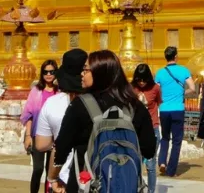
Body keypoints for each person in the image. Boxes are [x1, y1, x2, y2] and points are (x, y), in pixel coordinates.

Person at [50, 49, 156, 193]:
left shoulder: (80, 105)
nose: (81, 74)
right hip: (126, 185)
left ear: (99, 73)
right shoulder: (135, 107)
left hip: (86, 184)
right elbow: (149, 150)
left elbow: (61, 148)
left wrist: (53, 178)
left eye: (86, 70)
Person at [34, 49, 87, 190]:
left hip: (64, 177)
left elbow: (41, 145)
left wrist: (52, 178)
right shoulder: (100, 103)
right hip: (95, 176)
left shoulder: (52, 103)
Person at [156, 45, 194, 178]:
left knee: (165, 137)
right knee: (177, 140)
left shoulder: (159, 72)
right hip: (178, 109)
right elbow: (193, 88)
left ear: (165, 57)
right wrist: (182, 93)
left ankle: (161, 162)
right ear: (176, 56)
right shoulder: (184, 70)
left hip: (164, 109)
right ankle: (171, 170)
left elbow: (157, 91)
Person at [22, 59, 58, 193]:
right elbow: (29, 115)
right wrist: (27, 136)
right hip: (38, 135)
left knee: (51, 171)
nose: (48, 74)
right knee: (38, 169)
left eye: (52, 72)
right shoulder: (36, 91)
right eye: (45, 72)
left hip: (55, 137)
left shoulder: (60, 92)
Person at [132, 64, 162, 193]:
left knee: (150, 164)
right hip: (136, 129)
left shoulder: (155, 88)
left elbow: (159, 102)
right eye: (139, 80)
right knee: (135, 163)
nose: (142, 83)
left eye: (144, 80)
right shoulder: (131, 88)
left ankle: (151, 190)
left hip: (152, 128)